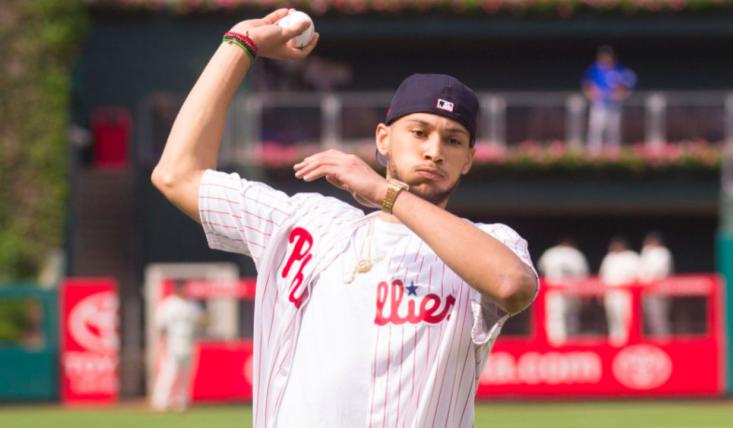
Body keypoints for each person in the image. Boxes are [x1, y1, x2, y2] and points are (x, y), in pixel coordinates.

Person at [151, 9, 538, 427]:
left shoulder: (491, 242)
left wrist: (383, 193)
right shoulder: (309, 223)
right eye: (419, 132)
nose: (434, 150)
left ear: (467, 161)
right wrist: (239, 45)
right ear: (383, 140)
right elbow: (176, 175)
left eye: (454, 139)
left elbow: (511, 284)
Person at [151, 281, 204, 412]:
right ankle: (161, 402)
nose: (186, 291)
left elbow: (202, 322)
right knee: (169, 372)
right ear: (177, 289)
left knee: (186, 374)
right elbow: (161, 325)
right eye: (184, 288)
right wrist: (162, 343)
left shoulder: (192, 305)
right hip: (173, 341)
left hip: (189, 341)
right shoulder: (168, 304)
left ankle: (182, 401)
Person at [582, 45, 637, 154]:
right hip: (599, 104)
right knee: (596, 128)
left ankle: (612, 153)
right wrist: (591, 94)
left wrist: (621, 93)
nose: (605, 58)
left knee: (613, 130)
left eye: (608, 56)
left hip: (614, 105)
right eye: (603, 56)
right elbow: (586, 85)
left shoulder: (619, 70)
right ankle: (593, 153)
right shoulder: (594, 69)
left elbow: (630, 82)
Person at [537, 238, 589, 345]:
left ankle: (555, 344)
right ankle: (569, 343)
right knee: (570, 318)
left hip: (553, 291)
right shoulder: (576, 254)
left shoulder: (551, 253)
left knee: (555, 318)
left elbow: (541, 270)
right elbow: (583, 276)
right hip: (570, 292)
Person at [598, 236, 640, 346]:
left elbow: (639, 277)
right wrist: (601, 293)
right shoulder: (609, 258)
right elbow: (603, 277)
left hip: (627, 295)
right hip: (611, 294)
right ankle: (615, 343)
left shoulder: (632, 257)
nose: (615, 247)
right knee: (613, 319)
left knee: (627, 320)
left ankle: (630, 342)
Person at [639, 231, 674, 337]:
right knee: (649, 320)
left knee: (661, 319)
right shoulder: (646, 252)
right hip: (647, 292)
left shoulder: (663, 252)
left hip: (660, 291)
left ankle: (664, 341)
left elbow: (660, 272)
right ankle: (655, 340)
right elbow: (642, 271)